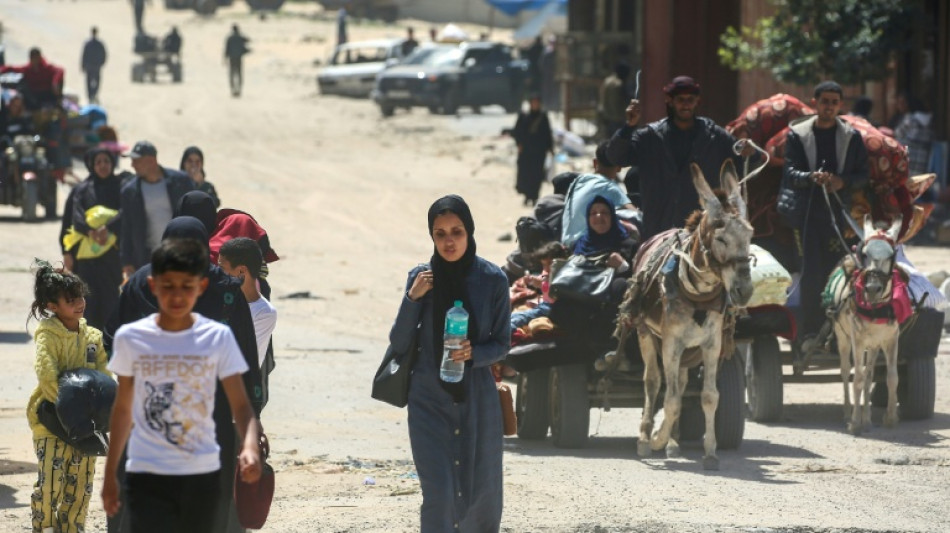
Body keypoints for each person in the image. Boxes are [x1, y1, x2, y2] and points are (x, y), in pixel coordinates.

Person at [103, 215, 264, 533]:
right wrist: (110, 475)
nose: (177, 295)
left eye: (187, 286)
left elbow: (241, 396)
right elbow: (122, 408)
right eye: (168, 286)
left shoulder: (215, 336)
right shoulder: (134, 338)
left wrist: (249, 442)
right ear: (155, 286)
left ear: (199, 287)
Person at [389, 195, 510, 532]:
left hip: (478, 403)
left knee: (481, 496)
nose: (449, 241)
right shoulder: (421, 279)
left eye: (456, 231)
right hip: (429, 400)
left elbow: (501, 344)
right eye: (439, 234)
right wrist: (412, 298)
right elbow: (399, 343)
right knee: (440, 494)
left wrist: (474, 354)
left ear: (469, 231)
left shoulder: (492, 279)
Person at [606, 75, 753, 242]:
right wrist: (629, 127)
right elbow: (615, 157)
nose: (686, 104)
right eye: (680, 100)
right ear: (670, 101)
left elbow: (744, 164)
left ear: (697, 101)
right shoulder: (650, 137)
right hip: (658, 230)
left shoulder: (714, 136)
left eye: (690, 100)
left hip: (701, 231)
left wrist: (749, 152)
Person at [780, 80, 869, 347]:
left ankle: (837, 333)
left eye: (834, 102)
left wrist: (842, 182)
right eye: (824, 102)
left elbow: (863, 175)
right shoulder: (798, 135)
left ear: (840, 105)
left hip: (839, 217)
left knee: (839, 273)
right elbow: (790, 173)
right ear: (815, 103)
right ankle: (809, 333)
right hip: (806, 217)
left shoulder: (851, 137)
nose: (829, 107)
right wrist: (810, 178)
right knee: (811, 274)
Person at [26, 260, 109, 533]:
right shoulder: (47, 336)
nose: (79, 304)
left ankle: (73, 528)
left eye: (80, 297)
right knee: (51, 482)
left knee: (81, 484)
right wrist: (70, 407)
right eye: (71, 300)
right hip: (52, 420)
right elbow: (46, 374)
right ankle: (45, 527)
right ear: (52, 306)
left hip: (86, 426)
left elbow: (103, 376)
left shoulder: (93, 337)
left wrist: (98, 412)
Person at [60, 147, 123, 330]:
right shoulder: (81, 190)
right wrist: (68, 250)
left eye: (106, 161)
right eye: (98, 162)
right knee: (87, 304)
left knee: (111, 303)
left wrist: (107, 228)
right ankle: (89, 346)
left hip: (112, 257)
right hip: (86, 260)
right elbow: (73, 219)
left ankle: (108, 344)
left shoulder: (121, 188)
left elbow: (125, 213)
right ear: (91, 165)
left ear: (112, 164)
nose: (103, 166)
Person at [119, 140, 195, 276]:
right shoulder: (130, 191)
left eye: (136, 161)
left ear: (151, 160)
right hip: (147, 258)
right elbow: (127, 227)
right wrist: (126, 261)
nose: (132, 165)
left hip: (181, 254)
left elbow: (194, 215)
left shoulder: (181, 182)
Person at [561, 141, 635, 247]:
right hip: (584, 245)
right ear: (619, 167)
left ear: (595, 163)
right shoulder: (609, 187)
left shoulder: (578, 181)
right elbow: (635, 215)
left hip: (565, 243)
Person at [218, 237, 276, 371]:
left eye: (222, 268)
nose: (218, 273)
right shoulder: (218, 296)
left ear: (241, 271)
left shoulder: (263, 313)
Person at [509, 241, 568, 329]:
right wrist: (533, 281)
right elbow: (542, 282)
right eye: (544, 264)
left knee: (519, 319)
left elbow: (557, 294)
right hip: (544, 305)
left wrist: (544, 283)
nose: (546, 268)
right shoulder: (546, 272)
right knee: (513, 316)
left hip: (553, 309)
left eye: (550, 264)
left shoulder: (564, 275)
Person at [512, 95, 554, 206]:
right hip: (526, 152)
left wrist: (550, 148)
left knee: (537, 175)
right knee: (526, 174)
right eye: (533, 102)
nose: (535, 105)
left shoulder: (543, 117)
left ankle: (535, 196)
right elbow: (517, 131)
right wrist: (519, 144)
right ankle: (527, 196)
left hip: (539, 152)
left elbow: (547, 134)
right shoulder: (524, 116)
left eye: (537, 103)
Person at [894, 94, 934, 177]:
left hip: (909, 162)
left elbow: (897, 134)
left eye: (902, 103)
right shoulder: (929, 121)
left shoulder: (910, 119)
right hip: (923, 162)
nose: (898, 106)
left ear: (908, 104)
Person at [598, 63, 631, 139]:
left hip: (606, 117)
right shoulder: (618, 84)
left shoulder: (607, 81)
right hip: (616, 119)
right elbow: (618, 104)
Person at [81, 27, 107, 104]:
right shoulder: (98, 44)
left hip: (91, 66)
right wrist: (101, 63)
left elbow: (84, 55)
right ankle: (92, 94)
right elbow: (104, 54)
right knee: (95, 81)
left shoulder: (89, 44)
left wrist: (83, 65)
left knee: (90, 81)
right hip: (95, 66)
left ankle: (91, 94)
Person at [224, 25, 250, 97]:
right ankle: (239, 89)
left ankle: (233, 89)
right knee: (239, 74)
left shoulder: (229, 38)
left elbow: (226, 49)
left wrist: (225, 58)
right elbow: (248, 40)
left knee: (232, 74)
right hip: (239, 58)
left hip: (232, 58)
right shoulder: (240, 37)